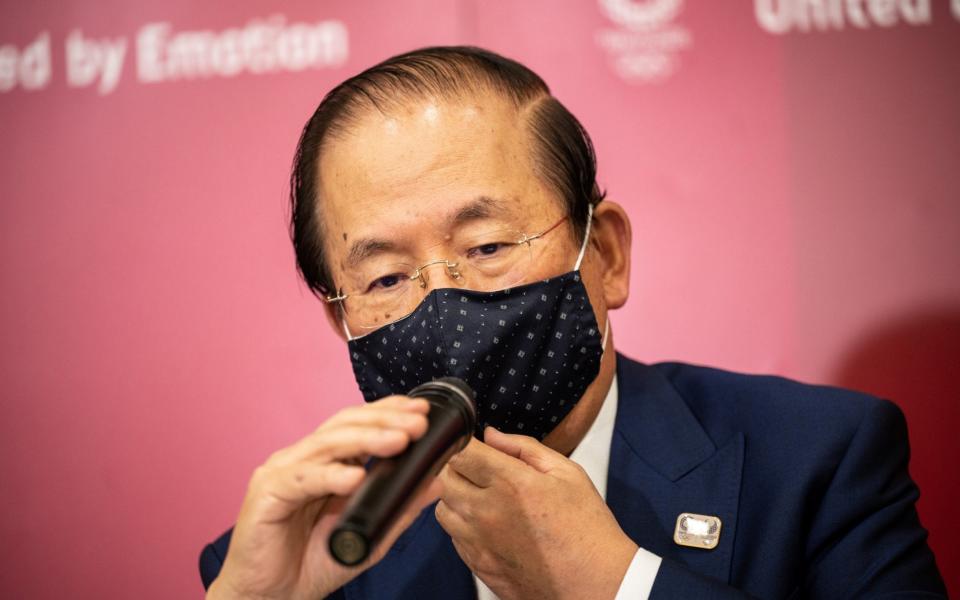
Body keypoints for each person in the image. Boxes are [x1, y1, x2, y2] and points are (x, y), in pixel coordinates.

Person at [199, 47, 945, 599]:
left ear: (607, 254)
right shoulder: (305, 555)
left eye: (487, 247)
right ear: (345, 323)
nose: (443, 306)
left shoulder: (819, 462)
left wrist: (616, 585)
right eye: (387, 277)